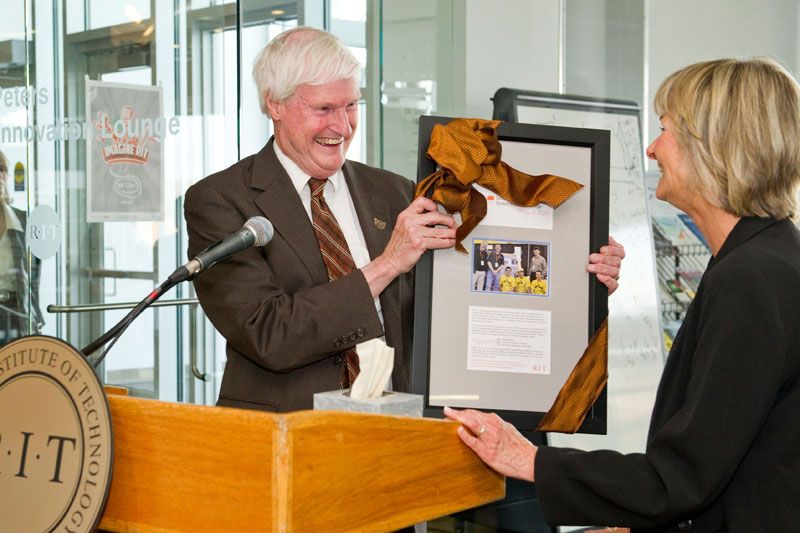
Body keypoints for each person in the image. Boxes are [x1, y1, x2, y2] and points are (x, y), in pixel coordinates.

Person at [185, 27, 624, 413]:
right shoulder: (221, 200)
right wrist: (386, 265)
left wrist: (572, 272)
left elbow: (456, 293)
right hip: (283, 440)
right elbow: (269, 334)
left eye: (351, 105)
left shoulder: (395, 191)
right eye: (323, 109)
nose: (342, 125)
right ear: (274, 105)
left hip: (399, 434)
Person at [445, 57, 800, 532]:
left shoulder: (751, 280)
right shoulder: (770, 256)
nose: (651, 150)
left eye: (667, 131)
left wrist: (530, 460)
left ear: (715, 149)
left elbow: (682, 479)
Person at [0, 150, 43, 346]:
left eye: (1, 170)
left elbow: (33, 281)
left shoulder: (24, 221)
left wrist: (36, 318)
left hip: (17, 313)